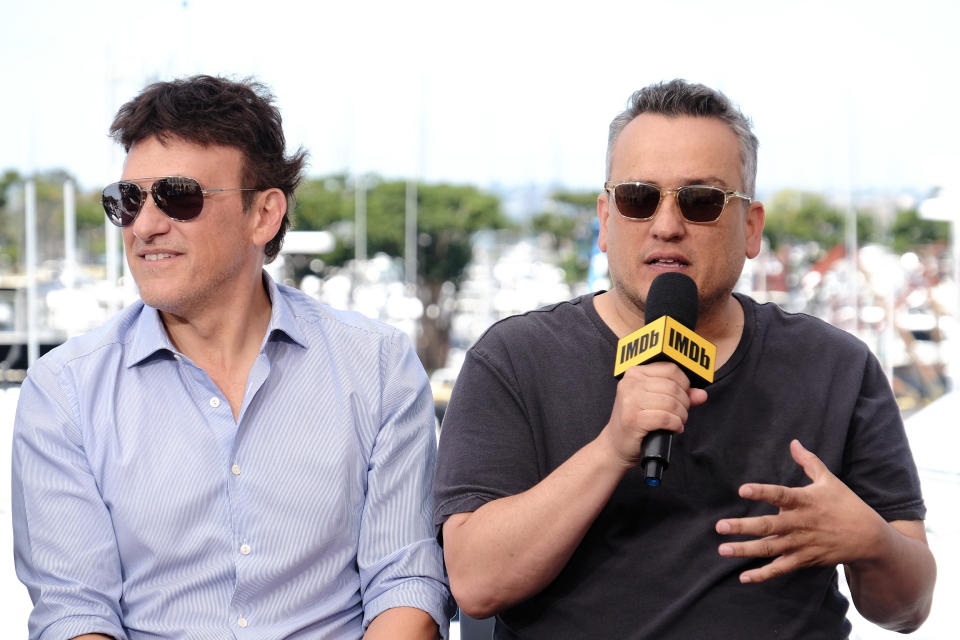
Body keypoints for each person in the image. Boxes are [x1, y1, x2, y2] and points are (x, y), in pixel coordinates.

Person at [434, 79, 936, 638]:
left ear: (751, 228)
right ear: (605, 220)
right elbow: (475, 584)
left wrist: (869, 541)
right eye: (638, 197)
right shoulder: (514, 360)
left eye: (701, 201)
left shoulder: (836, 366)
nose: (667, 224)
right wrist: (611, 448)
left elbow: (908, 608)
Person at [13, 75, 454, 640]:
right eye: (127, 200)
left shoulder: (378, 367)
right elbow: (76, 613)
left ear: (263, 214)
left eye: (178, 196)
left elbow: (406, 584)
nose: (145, 225)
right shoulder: (63, 393)